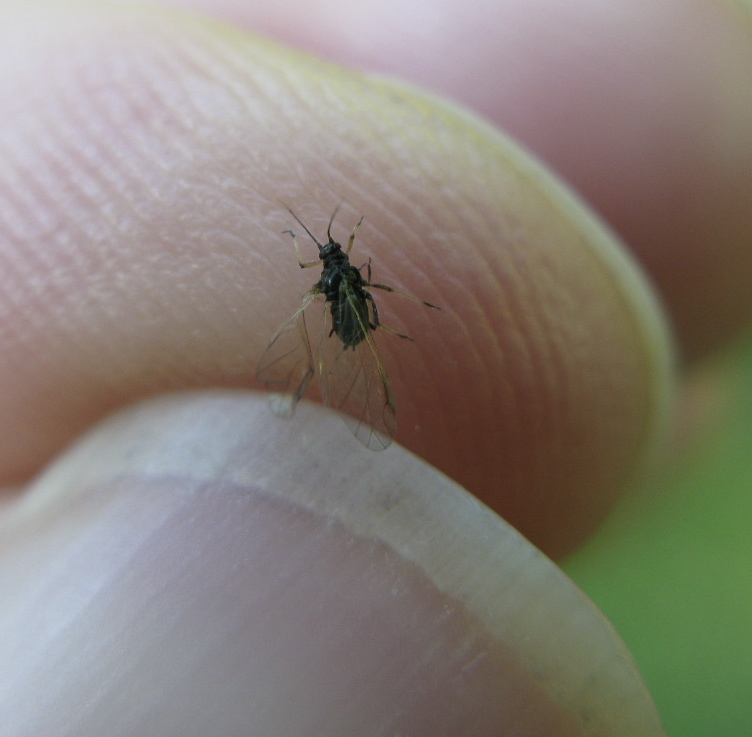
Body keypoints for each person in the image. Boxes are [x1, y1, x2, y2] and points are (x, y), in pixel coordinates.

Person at [0, 1, 750, 734]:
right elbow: (346, 287)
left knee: (357, 343)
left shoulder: (337, 274)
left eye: (333, 247)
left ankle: (326, 386)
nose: (332, 253)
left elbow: (352, 286)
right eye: (331, 250)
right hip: (350, 328)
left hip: (355, 329)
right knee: (340, 344)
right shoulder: (335, 277)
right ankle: (319, 386)